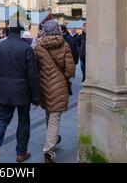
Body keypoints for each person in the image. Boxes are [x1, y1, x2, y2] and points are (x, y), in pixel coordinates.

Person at [0, 24, 41, 163]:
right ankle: (21, 153)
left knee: (2, 119)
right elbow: (32, 75)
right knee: (23, 121)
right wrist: (36, 96)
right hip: (22, 90)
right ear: (20, 32)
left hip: (3, 89)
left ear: (8, 31)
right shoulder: (26, 48)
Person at [34, 20, 76, 163]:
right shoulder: (64, 45)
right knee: (55, 118)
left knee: (49, 113)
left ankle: (52, 139)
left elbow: (35, 67)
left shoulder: (39, 46)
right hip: (59, 86)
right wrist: (62, 77)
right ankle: (48, 152)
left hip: (44, 86)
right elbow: (70, 70)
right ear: (57, 29)